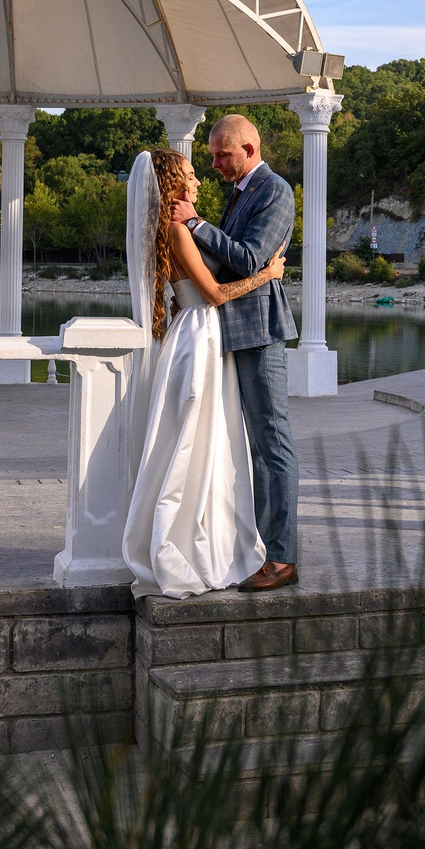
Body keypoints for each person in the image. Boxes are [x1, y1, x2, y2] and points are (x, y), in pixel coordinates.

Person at [119, 148, 288, 599]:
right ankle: (190, 541)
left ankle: (207, 534)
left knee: (208, 440)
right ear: (172, 183)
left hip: (196, 333)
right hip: (200, 336)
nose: (198, 182)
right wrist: (268, 273)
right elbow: (212, 293)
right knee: (198, 439)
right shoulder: (177, 229)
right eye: (191, 175)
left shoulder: (169, 228)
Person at [169, 114, 303, 591]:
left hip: (259, 331)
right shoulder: (241, 192)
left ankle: (283, 560)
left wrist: (195, 222)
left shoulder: (275, 191)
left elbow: (247, 258)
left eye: (222, 154)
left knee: (272, 443)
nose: (214, 162)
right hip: (226, 330)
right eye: (212, 154)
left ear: (249, 148)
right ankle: (251, 548)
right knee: (241, 445)